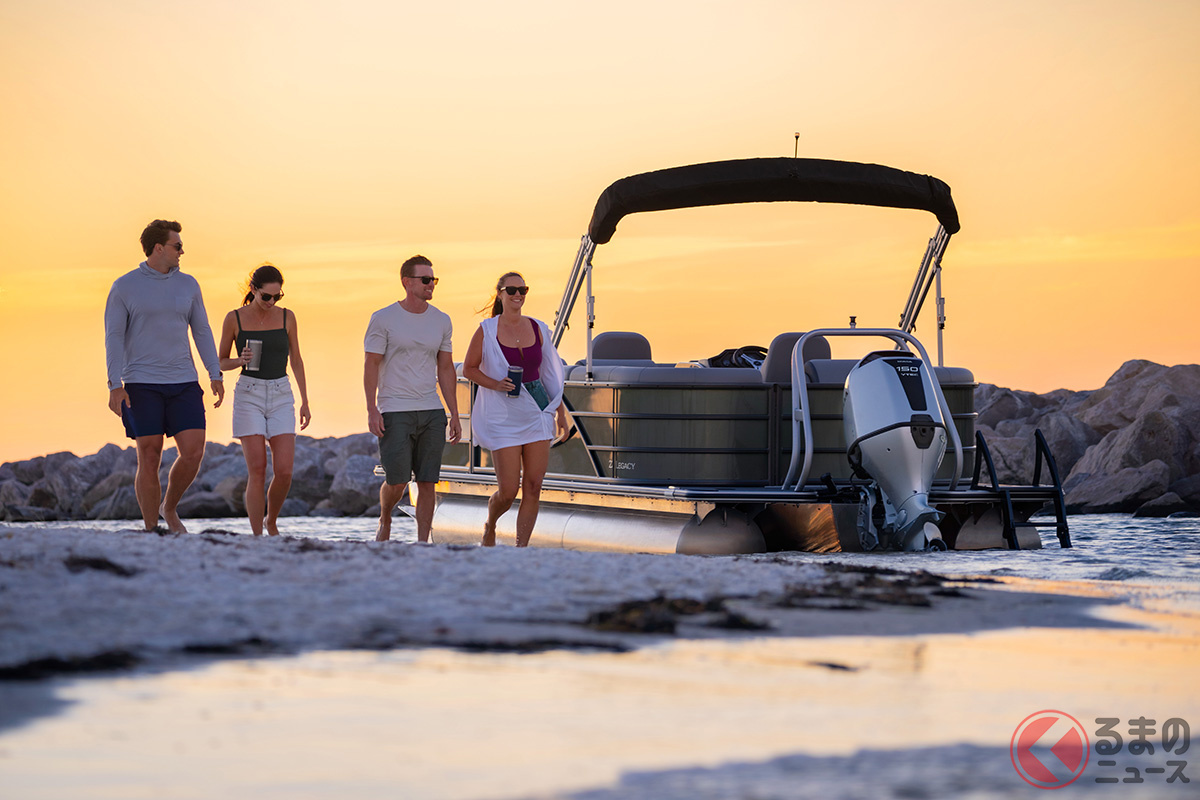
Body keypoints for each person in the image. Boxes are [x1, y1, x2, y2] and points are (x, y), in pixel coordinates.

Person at [104, 219, 224, 534]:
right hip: (141, 383)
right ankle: (151, 529)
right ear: (159, 248)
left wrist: (214, 372)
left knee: (194, 451)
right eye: (177, 246)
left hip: (183, 381)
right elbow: (113, 336)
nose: (182, 251)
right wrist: (115, 384)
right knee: (149, 454)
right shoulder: (124, 286)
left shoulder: (189, 285)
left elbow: (202, 330)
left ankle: (168, 508)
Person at [462, 272, 569, 547]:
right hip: (503, 417)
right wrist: (495, 384)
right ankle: (491, 523)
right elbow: (469, 369)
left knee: (533, 486)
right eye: (511, 290)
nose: (518, 294)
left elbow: (549, 374)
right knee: (508, 491)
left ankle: (521, 548)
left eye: (523, 289)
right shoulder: (487, 330)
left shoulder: (538, 327)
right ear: (500, 294)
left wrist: (559, 411)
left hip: (537, 413)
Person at [364, 255, 462, 542]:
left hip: (431, 410)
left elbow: (446, 368)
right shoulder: (383, 318)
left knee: (428, 481)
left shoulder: (441, 320)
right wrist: (372, 409)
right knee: (397, 481)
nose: (431, 284)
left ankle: (422, 542)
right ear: (407, 282)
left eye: (434, 280)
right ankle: (385, 518)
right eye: (425, 279)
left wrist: (454, 413)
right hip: (395, 409)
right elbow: (371, 364)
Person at [217, 264, 311, 536]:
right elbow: (220, 362)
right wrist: (239, 360)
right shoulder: (234, 318)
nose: (272, 302)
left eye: (277, 296)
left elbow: (296, 359)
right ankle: (258, 535)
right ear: (253, 290)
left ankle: (272, 521)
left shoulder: (287, 317)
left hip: (281, 392)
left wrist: (305, 401)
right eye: (266, 296)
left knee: (284, 471)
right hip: (249, 395)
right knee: (257, 469)